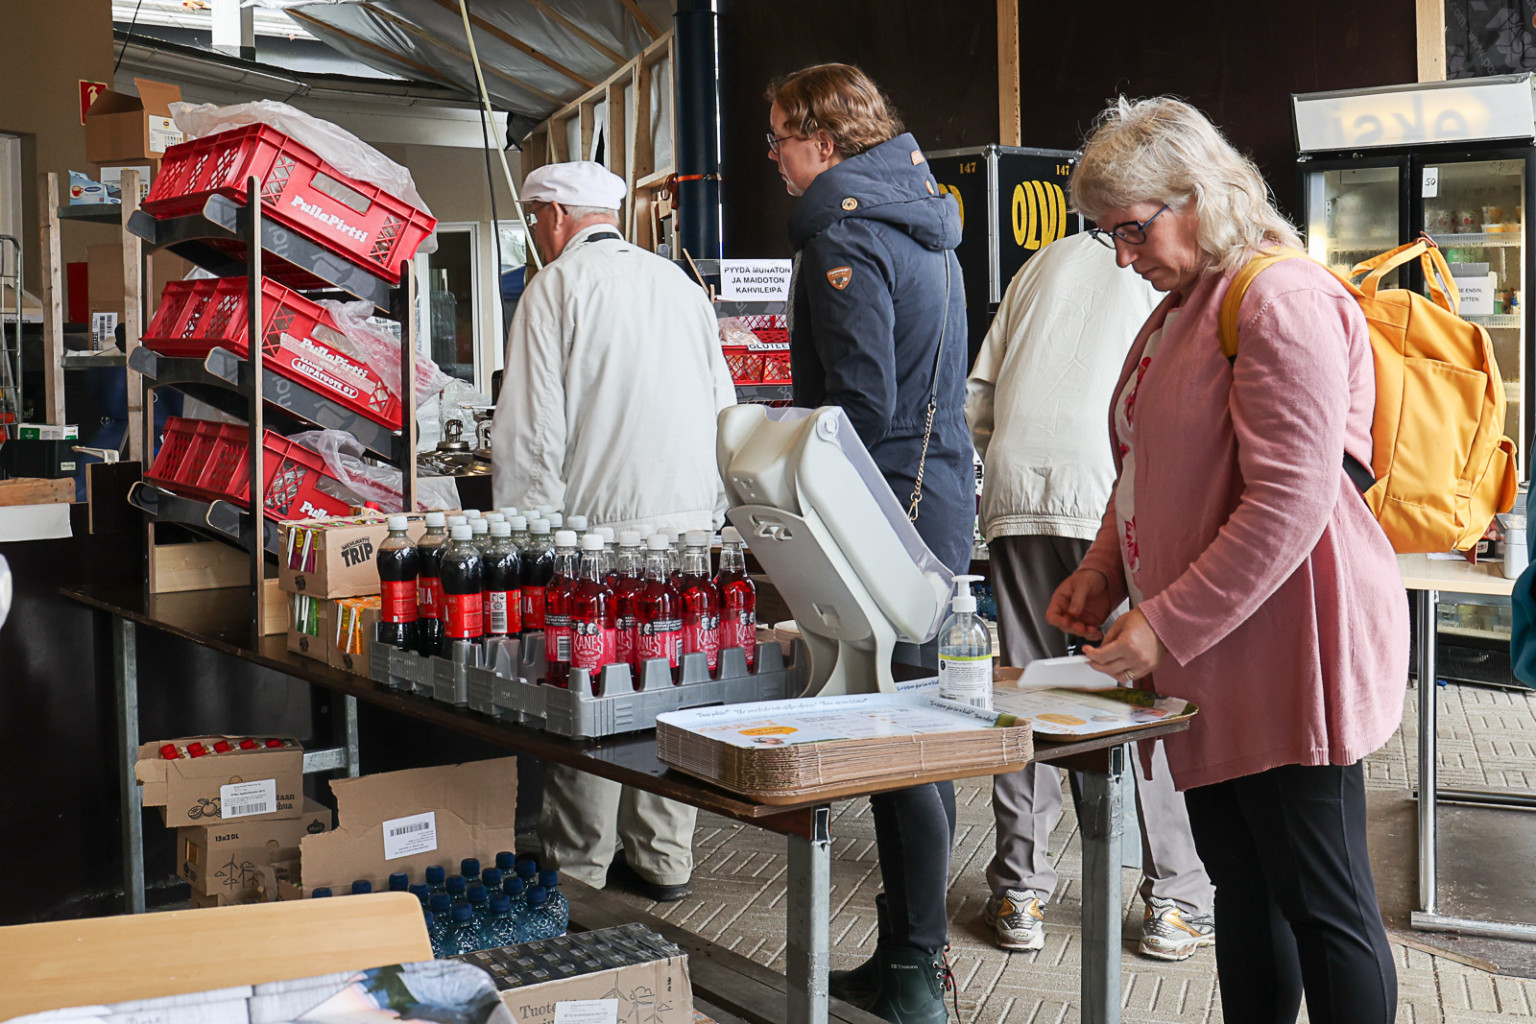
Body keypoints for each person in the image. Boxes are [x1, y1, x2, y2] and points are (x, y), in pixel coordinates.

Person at [1051, 96, 1407, 1024]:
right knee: (1244, 892)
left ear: (1199, 196)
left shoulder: (1279, 298)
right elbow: (1145, 465)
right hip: (1213, 653)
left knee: (1323, 904)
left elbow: (1292, 501)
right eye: (1108, 236)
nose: (1123, 257)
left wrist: (1163, 621)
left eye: (1132, 229)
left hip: (1289, 652)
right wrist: (1102, 569)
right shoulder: (1181, 309)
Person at [768, 63, 971, 1024]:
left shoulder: (843, 231)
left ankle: (918, 971)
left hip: (886, 506)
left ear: (825, 142)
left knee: (901, 735)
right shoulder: (921, 217)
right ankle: (905, 958)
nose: (773, 158)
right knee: (914, 725)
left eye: (780, 139)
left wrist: (775, 457)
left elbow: (859, 403)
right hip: (934, 494)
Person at [490, 160, 736, 903]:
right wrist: (713, 513)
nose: (538, 233)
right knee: (674, 687)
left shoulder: (555, 288)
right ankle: (663, 858)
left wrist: (526, 543)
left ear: (556, 215)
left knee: (591, 695)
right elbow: (725, 409)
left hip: (596, 541)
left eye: (537, 219)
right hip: (689, 535)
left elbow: (531, 436)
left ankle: (580, 871)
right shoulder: (681, 287)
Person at [965, 231, 1216, 961]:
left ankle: (1019, 890)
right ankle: (1176, 899)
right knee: (1144, 697)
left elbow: (978, 397)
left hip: (1016, 488)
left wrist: (1010, 464)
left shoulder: (1041, 263)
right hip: (1112, 492)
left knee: (1025, 694)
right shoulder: (1174, 264)